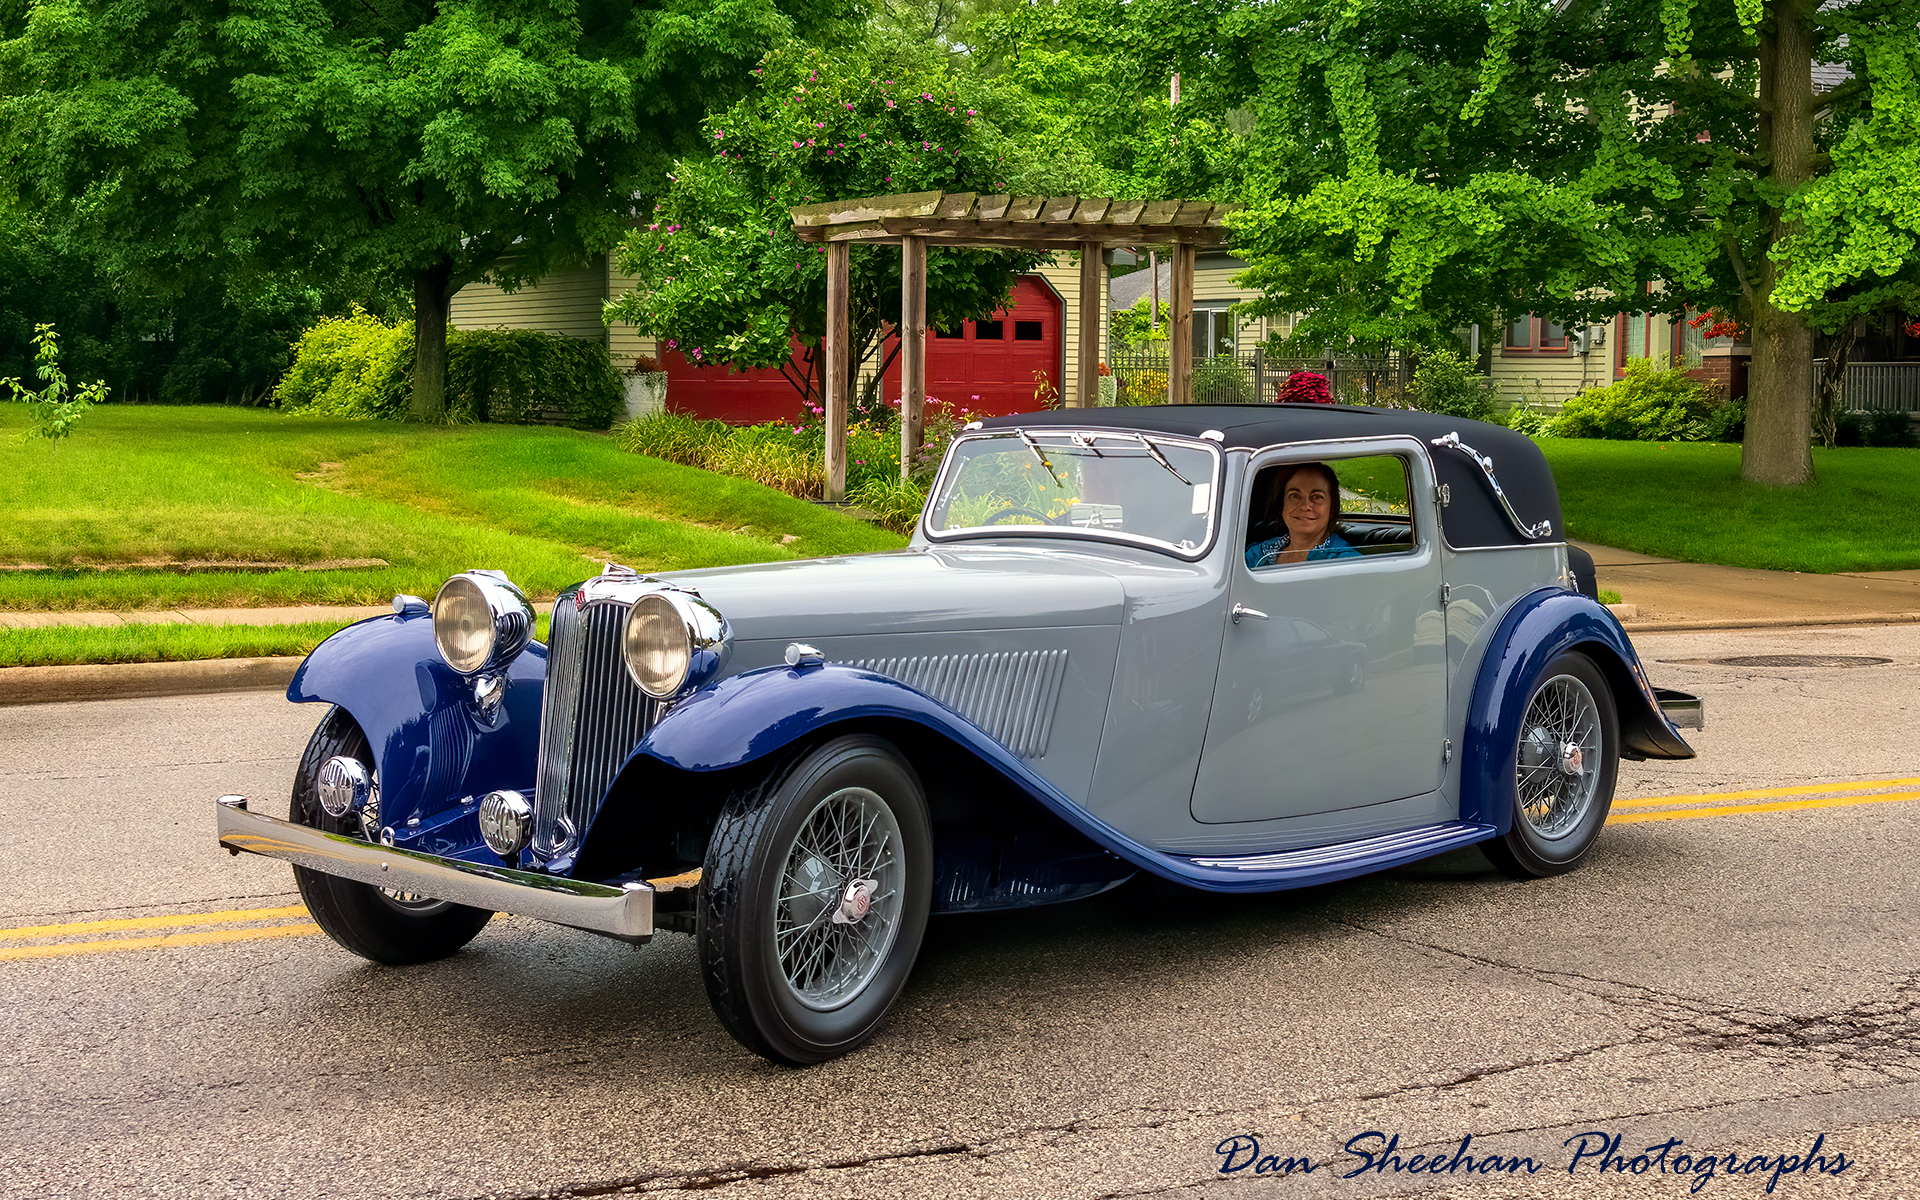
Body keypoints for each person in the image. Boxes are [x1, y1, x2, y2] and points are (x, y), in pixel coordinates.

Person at [1245, 461, 1361, 568]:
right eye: (1295, 496)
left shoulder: (1348, 564)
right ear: (1282, 505)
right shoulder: (1258, 554)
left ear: (1332, 507)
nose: (1306, 506)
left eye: (1317, 497)